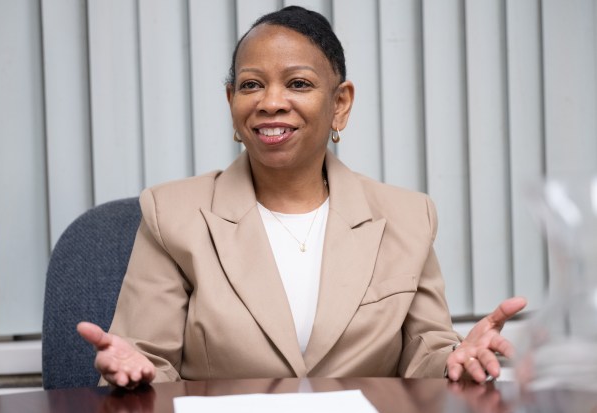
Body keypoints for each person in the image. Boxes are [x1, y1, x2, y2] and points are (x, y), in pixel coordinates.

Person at [77, 5, 526, 389]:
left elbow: (425, 352)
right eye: (251, 85)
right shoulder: (172, 214)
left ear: (341, 104)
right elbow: (147, 360)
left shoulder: (407, 217)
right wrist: (136, 375)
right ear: (231, 101)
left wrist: (453, 364)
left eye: (298, 84)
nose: (271, 102)